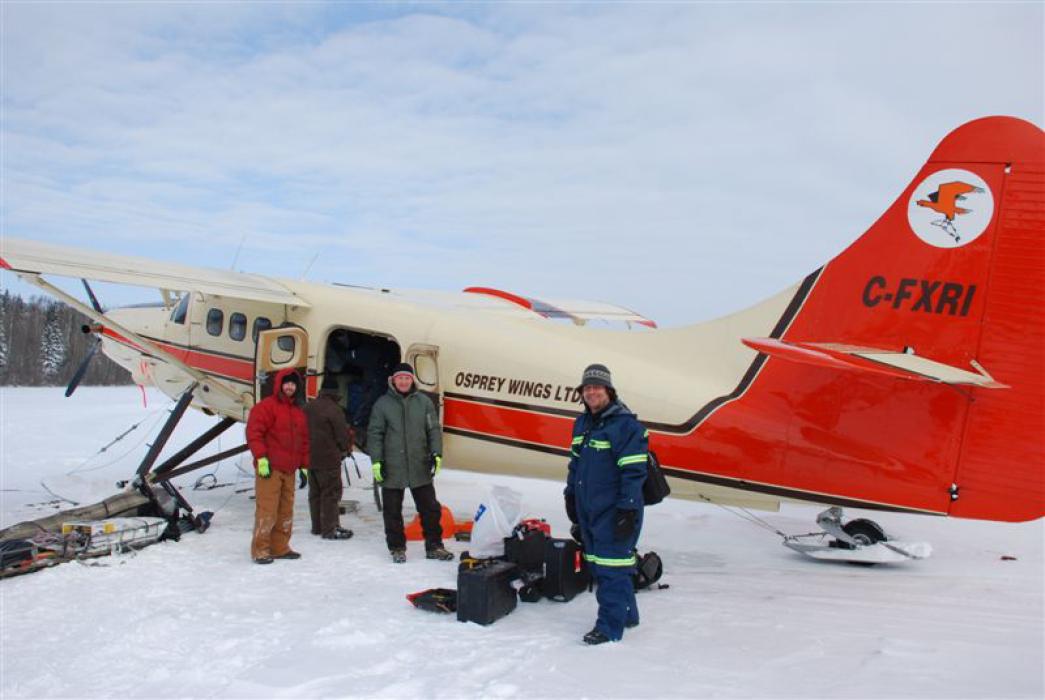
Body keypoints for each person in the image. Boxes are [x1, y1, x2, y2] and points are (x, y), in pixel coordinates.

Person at [564, 363, 648, 644]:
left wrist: (628, 507)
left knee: (611, 567)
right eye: (587, 388)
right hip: (590, 510)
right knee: (605, 564)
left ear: (609, 391)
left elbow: (634, 471)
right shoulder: (582, 424)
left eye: (597, 387)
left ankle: (609, 627)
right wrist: (570, 496)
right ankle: (627, 614)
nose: (591, 392)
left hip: (616, 509)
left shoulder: (626, 426)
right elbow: (575, 464)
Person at [366, 362, 453, 564]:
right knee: (392, 511)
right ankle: (397, 547)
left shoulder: (424, 402)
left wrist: (436, 453)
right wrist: (377, 460)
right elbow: (375, 433)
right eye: (400, 378)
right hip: (392, 466)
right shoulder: (382, 404)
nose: (403, 381)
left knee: (430, 509)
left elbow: (433, 430)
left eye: (407, 378)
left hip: (419, 464)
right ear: (393, 380)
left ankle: (435, 546)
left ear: (412, 380)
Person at [246, 368, 310, 564]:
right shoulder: (266, 407)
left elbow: (305, 441)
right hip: (270, 469)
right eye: (287, 383)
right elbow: (254, 433)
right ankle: (261, 550)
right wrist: (262, 458)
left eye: (293, 384)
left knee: (285, 511)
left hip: (289, 469)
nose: (290, 387)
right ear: (280, 385)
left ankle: (280, 547)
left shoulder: (299, 412)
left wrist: (304, 466)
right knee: (267, 510)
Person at [304, 376, 354, 540]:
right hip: (329, 459)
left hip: (311, 459)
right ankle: (330, 529)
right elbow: (342, 435)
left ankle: (317, 527)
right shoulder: (334, 409)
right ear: (335, 392)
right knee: (330, 493)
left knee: (315, 493)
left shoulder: (308, 407)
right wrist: (346, 449)